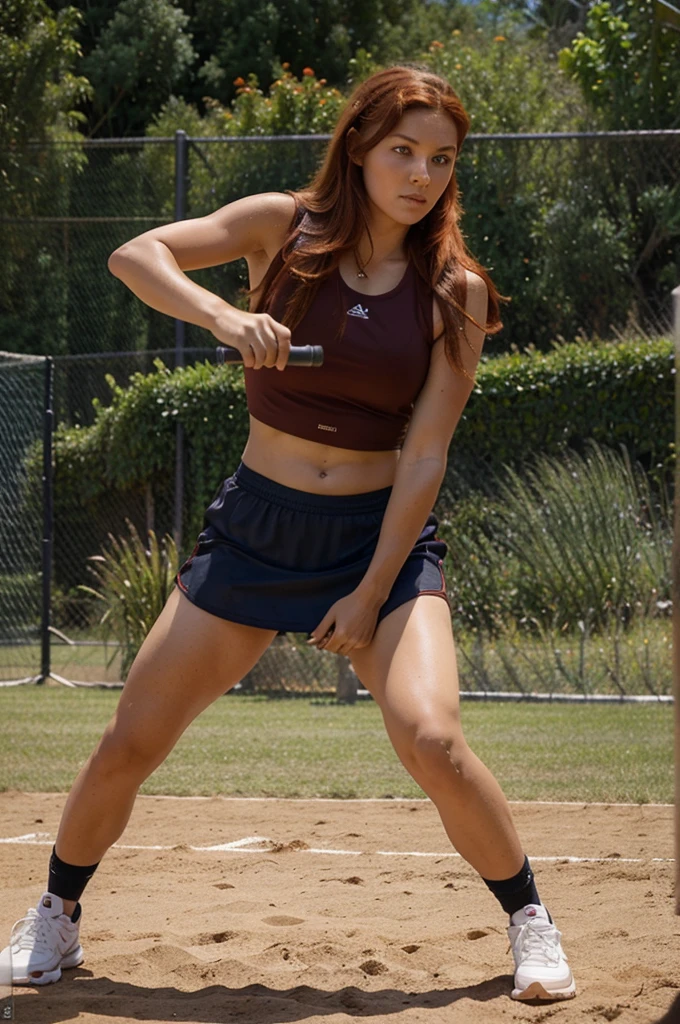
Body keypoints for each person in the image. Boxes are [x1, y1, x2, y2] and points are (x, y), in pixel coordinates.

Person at [1, 64, 575, 1003]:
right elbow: (137, 254)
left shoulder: (457, 290)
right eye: (402, 150)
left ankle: (531, 924)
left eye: (440, 158)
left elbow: (424, 457)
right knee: (129, 742)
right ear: (357, 144)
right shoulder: (280, 228)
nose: (421, 173)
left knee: (432, 738)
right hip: (258, 529)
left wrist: (368, 588)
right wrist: (225, 316)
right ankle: (56, 915)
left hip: (378, 540)